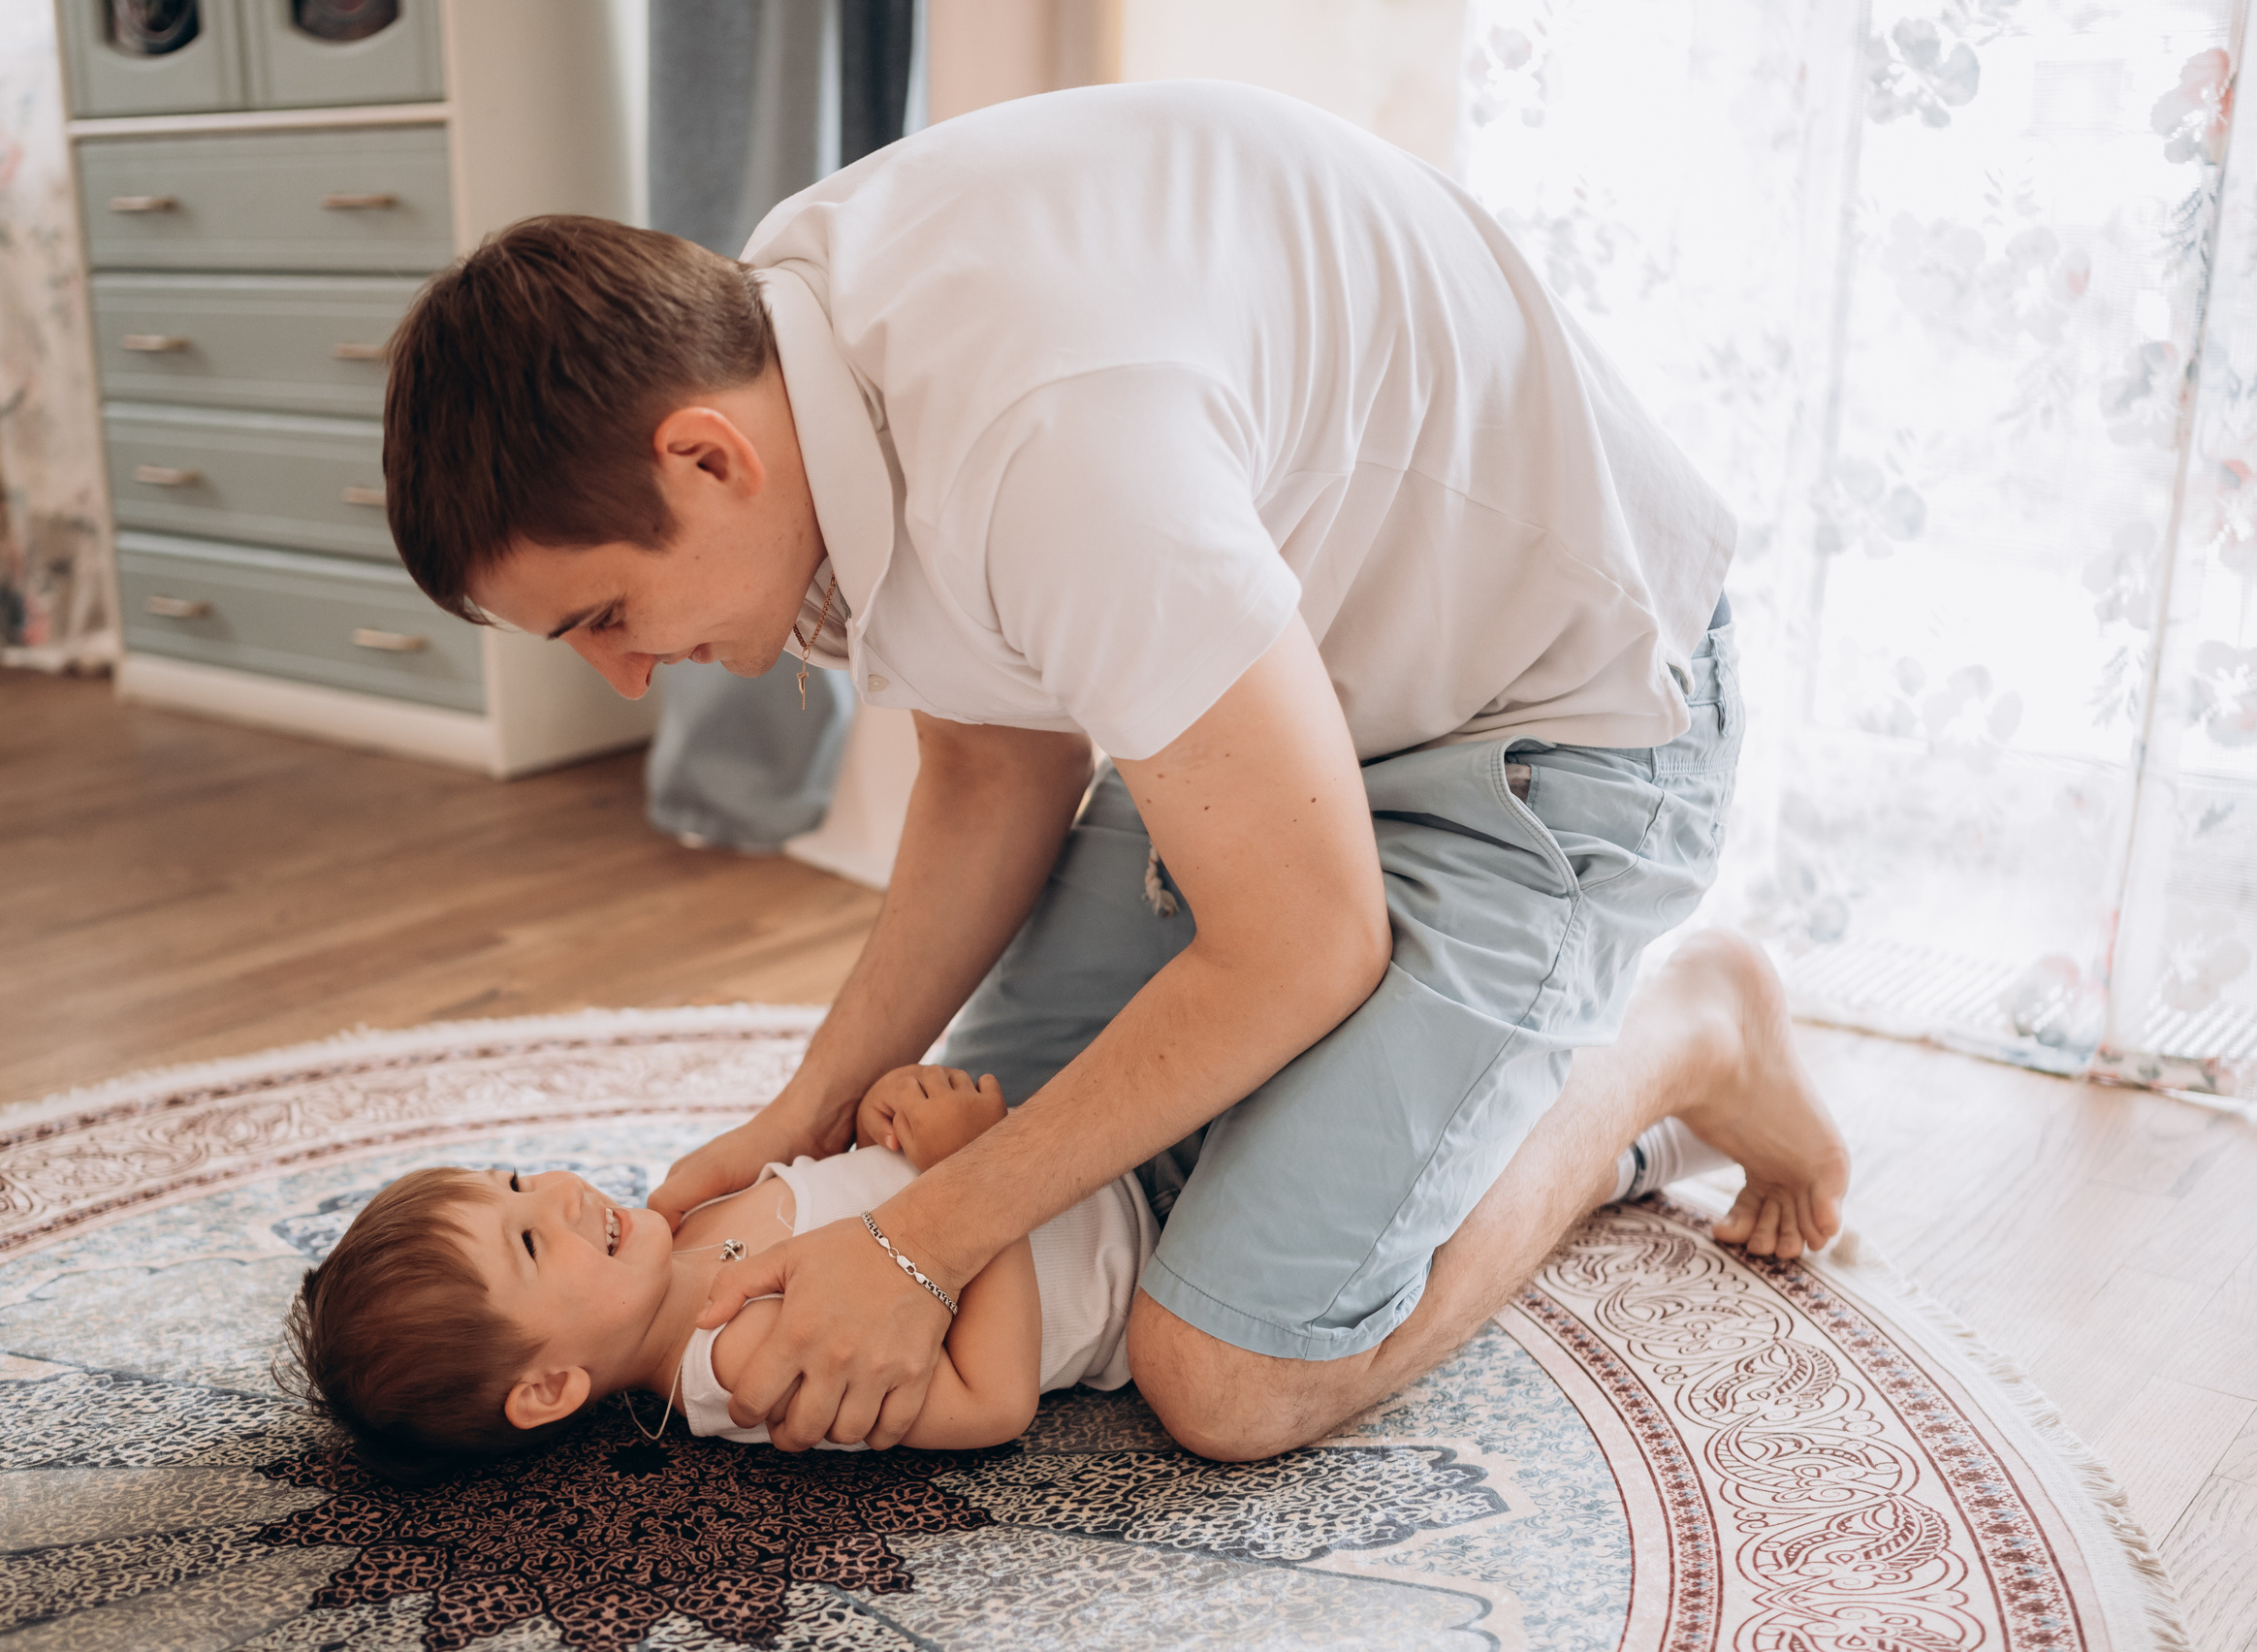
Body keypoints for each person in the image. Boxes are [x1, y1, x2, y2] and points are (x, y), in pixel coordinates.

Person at [381, 79, 1852, 1464]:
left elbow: (1307, 941)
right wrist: (810, 1111)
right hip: (1272, 732)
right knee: (1016, 1130)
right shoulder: (781, 344)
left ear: (705, 462)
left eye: (605, 617)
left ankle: (1683, 1036)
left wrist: (917, 1243)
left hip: (1545, 736)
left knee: (1224, 1371)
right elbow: (991, 760)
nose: (625, 678)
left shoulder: (1048, 436)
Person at [281, 1064, 1153, 1480]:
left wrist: (887, 1117)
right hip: (1149, 1250)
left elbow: (859, 1191)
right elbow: (993, 1402)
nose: (559, 1195)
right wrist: (971, 1172)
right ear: (548, 1386)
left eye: (513, 1181)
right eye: (531, 1243)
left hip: (1091, 1145)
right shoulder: (737, 1359)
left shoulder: (688, 1219)